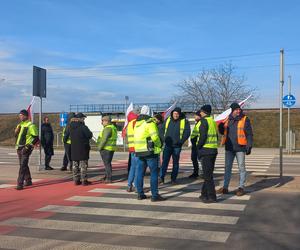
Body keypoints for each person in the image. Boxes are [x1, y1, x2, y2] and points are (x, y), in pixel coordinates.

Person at [217, 102, 253, 196]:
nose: (238, 111)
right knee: (227, 168)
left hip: (240, 147)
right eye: (236, 109)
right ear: (232, 110)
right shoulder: (227, 119)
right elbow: (223, 132)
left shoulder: (245, 119)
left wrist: (249, 145)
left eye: (239, 109)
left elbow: (249, 133)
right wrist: (220, 127)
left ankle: (241, 187)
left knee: (241, 167)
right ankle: (225, 187)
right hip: (229, 148)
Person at [134, 105, 166, 202]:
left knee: (140, 173)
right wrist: (160, 145)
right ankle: (155, 195)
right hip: (150, 151)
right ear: (150, 113)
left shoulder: (137, 123)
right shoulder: (150, 123)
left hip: (139, 151)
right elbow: (155, 137)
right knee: (154, 173)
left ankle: (140, 194)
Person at [159, 107, 191, 184]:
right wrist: (164, 140)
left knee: (175, 163)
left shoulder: (184, 121)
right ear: (172, 113)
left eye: (177, 114)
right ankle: (161, 178)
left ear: (179, 114)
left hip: (177, 146)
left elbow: (187, 132)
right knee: (164, 162)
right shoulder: (167, 120)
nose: (176, 115)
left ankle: (173, 179)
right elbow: (161, 130)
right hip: (168, 145)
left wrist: (181, 141)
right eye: (174, 113)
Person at [197, 104, 218, 203]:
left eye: (201, 111)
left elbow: (202, 137)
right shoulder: (212, 121)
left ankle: (212, 196)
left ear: (204, 112)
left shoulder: (204, 121)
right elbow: (216, 136)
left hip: (206, 151)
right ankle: (203, 194)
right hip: (213, 150)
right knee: (208, 174)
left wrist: (198, 147)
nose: (200, 112)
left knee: (208, 176)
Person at [65, 112, 93, 185]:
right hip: (83, 148)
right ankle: (84, 180)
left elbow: (65, 136)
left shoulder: (70, 126)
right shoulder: (83, 127)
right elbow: (89, 135)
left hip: (74, 148)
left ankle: (76, 180)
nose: (84, 119)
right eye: (83, 118)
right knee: (83, 165)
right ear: (80, 119)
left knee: (75, 165)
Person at [14, 109, 39, 190]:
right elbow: (17, 136)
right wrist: (16, 132)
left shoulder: (30, 125)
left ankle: (19, 184)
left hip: (26, 148)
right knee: (23, 165)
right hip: (19, 147)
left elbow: (36, 137)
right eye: (19, 115)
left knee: (22, 166)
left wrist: (28, 146)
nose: (20, 117)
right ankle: (28, 180)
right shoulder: (20, 125)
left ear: (25, 116)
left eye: (21, 115)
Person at [97, 115, 118, 183]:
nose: (101, 122)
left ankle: (108, 178)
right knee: (108, 163)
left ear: (106, 121)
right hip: (110, 148)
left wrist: (100, 147)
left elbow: (104, 139)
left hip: (106, 148)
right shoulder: (112, 127)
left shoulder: (108, 128)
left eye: (102, 121)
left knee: (107, 164)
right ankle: (107, 176)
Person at [126, 111, 139, 192]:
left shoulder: (129, 124)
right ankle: (137, 187)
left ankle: (129, 185)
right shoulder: (136, 123)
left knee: (132, 168)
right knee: (138, 168)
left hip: (131, 149)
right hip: (138, 148)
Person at [189, 110, 202, 178]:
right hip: (195, 145)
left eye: (196, 115)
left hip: (198, 144)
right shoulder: (197, 123)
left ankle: (200, 173)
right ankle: (196, 172)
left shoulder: (201, 123)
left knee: (199, 159)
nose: (194, 116)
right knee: (194, 158)